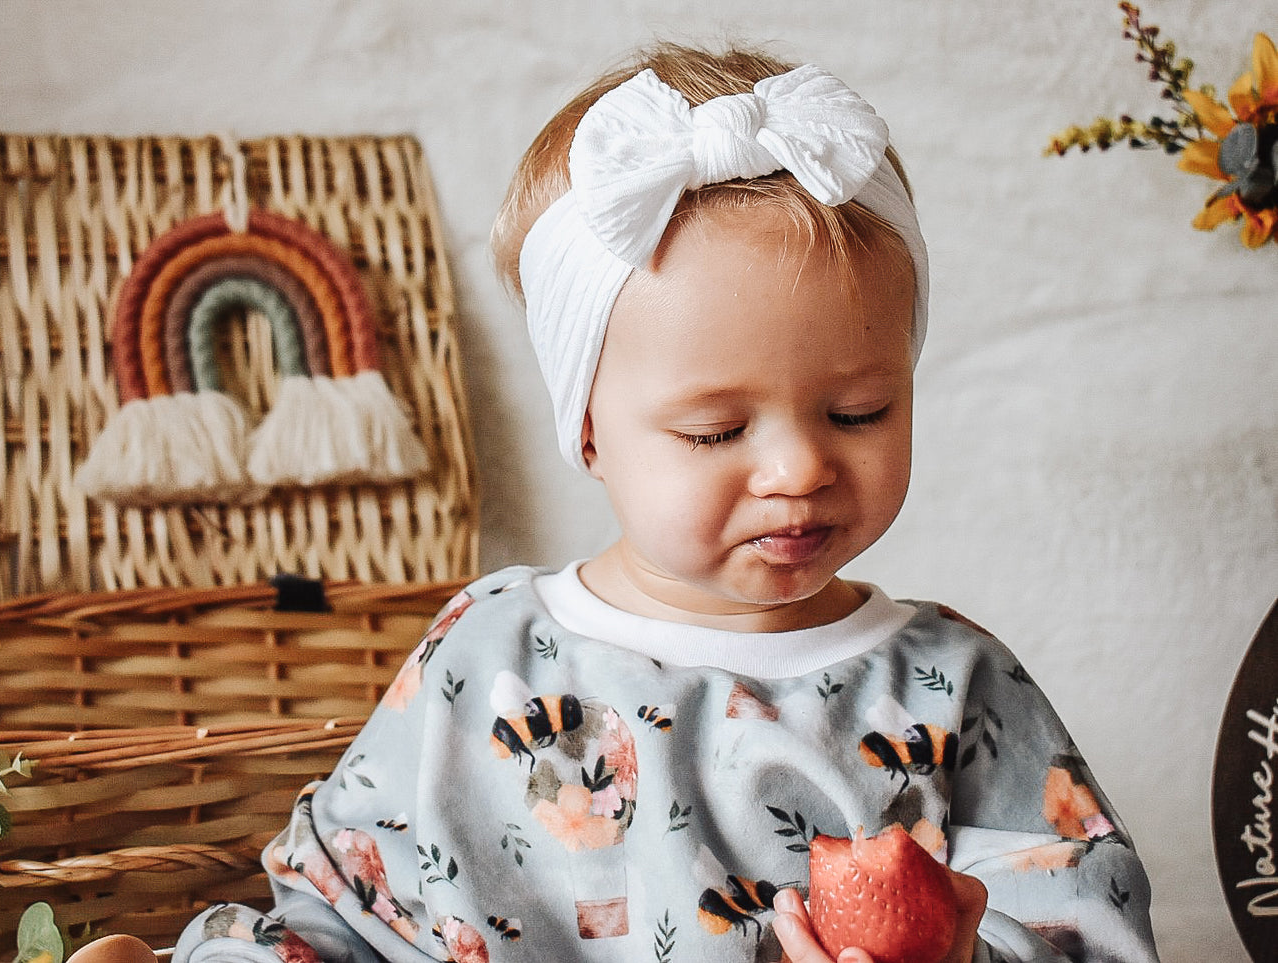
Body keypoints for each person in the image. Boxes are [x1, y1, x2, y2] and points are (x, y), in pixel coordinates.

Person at [172, 42, 1159, 963]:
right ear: (590, 433)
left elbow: (1085, 912)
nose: (796, 469)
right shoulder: (486, 654)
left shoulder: (953, 687)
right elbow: (338, 909)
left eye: (856, 412)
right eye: (714, 433)